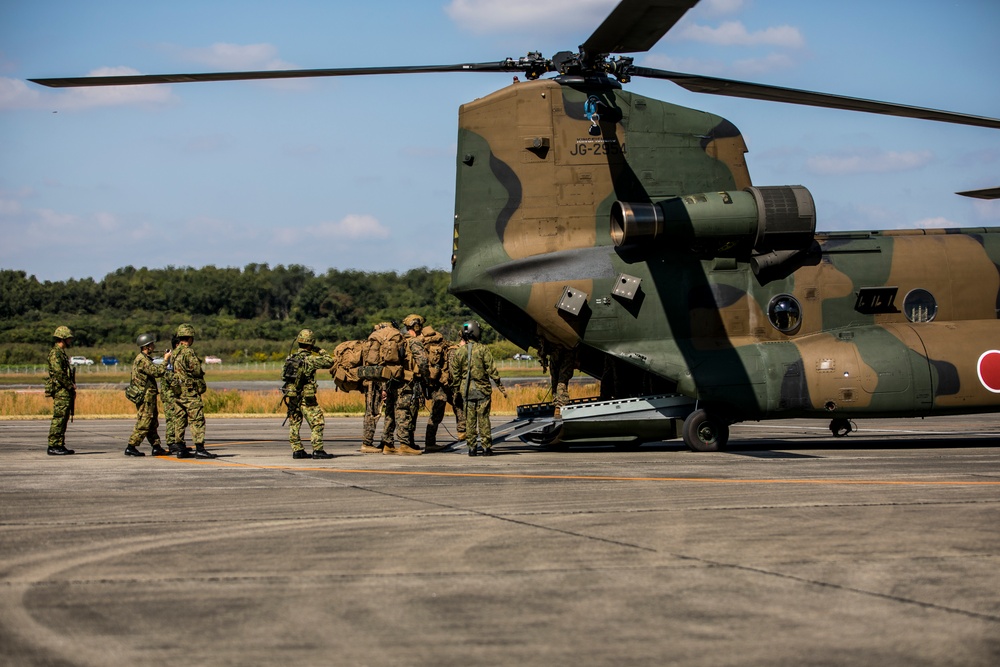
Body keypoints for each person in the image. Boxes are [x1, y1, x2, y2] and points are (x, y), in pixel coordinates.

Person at [450, 320, 507, 456]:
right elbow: (492, 370)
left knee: (470, 419)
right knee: (483, 418)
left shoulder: (459, 352)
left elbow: (455, 375)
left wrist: (456, 391)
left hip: (467, 391)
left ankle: (472, 448)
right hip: (482, 390)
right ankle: (486, 447)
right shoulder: (483, 349)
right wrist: (500, 386)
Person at [282, 329, 335, 459]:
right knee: (318, 422)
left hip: (293, 395)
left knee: (294, 422)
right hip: (307, 397)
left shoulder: (290, 358)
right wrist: (319, 350)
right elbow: (329, 361)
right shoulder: (310, 359)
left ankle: (297, 450)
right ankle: (318, 450)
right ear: (311, 343)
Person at [171, 323, 214, 459]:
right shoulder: (188, 352)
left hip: (178, 391)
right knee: (197, 419)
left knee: (179, 419)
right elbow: (195, 369)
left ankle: (180, 448)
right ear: (190, 338)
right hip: (189, 391)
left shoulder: (175, 353)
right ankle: (200, 448)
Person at [420, 320, 464, 452]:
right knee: (457, 406)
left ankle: (430, 442)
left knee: (437, 413)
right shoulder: (452, 350)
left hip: (436, 384)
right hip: (444, 385)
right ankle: (462, 434)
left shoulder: (434, 349)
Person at [388, 314, 429, 455]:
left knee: (394, 411)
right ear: (416, 326)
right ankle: (404, 445)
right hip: (408, 382)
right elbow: (423, 363)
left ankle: (390, 444)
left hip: (394, 381)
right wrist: (426, 377)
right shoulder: (414, 342)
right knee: (405, 412)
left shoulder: (398, 340)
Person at [125, 333, 170, 457]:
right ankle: (131, 446)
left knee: (152, 422)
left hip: (148, 395)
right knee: (145, 421)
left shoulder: (144, 358)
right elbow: (157, 372)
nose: (154, 346)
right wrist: (166, 360)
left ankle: (156, 446)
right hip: (145, 396)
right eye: (152, 344)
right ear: (147, 346)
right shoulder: (142, 360)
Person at [360, 322, 396, 454]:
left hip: (369, 380)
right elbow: (383, 367)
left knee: (370, 411)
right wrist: (384, 388)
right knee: (373, 412)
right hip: (376, 382)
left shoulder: (370, 342)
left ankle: (370, 441)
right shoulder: (382, 344)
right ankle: (367, 443)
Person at [45, 325, 76, 455]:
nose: (70, 341)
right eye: (68, 338)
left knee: (64, 418)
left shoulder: (61, 353)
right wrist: (70, 385)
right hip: (61, 390)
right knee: (59, 418)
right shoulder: (55, 353)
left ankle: (59, 444)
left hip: (64, 390)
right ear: (62, 339)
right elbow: (58, 373)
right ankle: (53, 445)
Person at [538, 332, 576, 416]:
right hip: (565, 351)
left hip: (557, 352)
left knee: (557, 381)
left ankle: (558, 405)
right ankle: (559, 406)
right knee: (561, 380)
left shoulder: (548, 330)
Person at [160, 334, 182, 454]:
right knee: (171, 418)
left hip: (176, 393)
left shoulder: (177, 357)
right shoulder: (170, 358)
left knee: (178, 419)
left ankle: (177, 441)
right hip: (170, 394)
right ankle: (171, 442)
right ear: (177, 345)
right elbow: (169, 376)